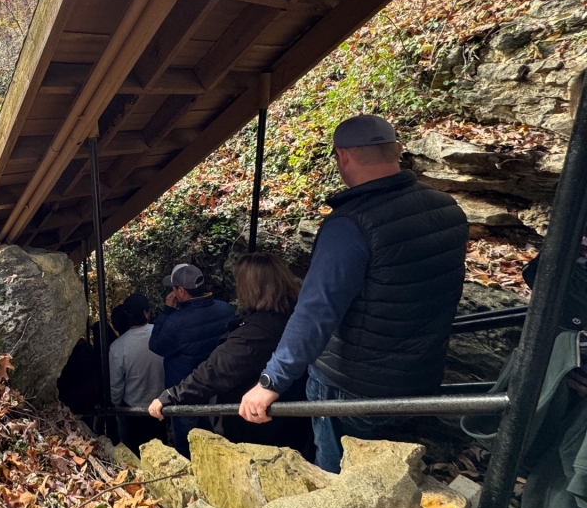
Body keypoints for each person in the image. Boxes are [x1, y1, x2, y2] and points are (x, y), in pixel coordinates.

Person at [239, 114, 469, 472]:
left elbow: (316, 311)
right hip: (419, 377)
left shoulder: (350, 225)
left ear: (343, 157)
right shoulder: (447, 208)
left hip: (352, 387)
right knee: (388, 469)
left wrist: (271, 381)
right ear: (397, 150)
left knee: (338, 476)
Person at [147, 253, 313, 456]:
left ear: (180, 291)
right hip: (291, 416)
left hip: (252, 422)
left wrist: (171, 395)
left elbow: (214, 368)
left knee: (188, 441)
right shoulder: (292, 317)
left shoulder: (255, 332)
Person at [149, 263, 236, 456]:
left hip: (185, 390)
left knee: (185, 443)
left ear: (181, 291)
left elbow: (156, 346)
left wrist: (167, 311)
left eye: (173, 288)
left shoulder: (176, 322)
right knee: (211, 434)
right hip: (216, 385)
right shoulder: (226, 310)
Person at [109, 303, 167, 453]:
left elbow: (116, 383)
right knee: (162, 447)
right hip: (162, 404)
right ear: (146, 313)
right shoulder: (160, 333)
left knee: (137, 449)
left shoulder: (117, 346)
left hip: (133, 408)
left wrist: (117, 404)